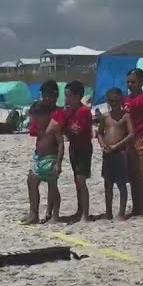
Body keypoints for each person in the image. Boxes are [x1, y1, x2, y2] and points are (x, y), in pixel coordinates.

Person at [49, 80, 93, 222]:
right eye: (66, 96)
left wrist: (68, 128)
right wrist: (68, 128)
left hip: (84, 148)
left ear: (78, 95)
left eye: (69, 96)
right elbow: (66, 129)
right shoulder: (68, 111)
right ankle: (80, 210)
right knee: (76, 180)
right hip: (73, 146)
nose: (67, 99)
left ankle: (85, 214)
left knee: (81, 180)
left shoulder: (84, 111)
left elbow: (79, 130)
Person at [25, 80, 62, 224]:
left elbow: (60, 143)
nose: (46, 98)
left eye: (49, 95)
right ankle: (34, 213)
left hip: (51, 157)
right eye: (44, 95)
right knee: (31, 181)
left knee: (52, 186)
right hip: (39, 156)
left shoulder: (56, 118)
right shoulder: (38, 112)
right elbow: (33, 132)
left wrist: (58, 162)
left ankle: (53, 214)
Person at [98, 88, 134, 220]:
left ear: (120, 100)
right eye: (110, 100)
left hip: (119, 153)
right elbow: (100, 133)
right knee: (108, 184)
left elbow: (131, 134)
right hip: (107, 153)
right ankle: (108, 212)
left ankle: (121, 212)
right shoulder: (105, 116)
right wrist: (103, 145)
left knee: (121, 184)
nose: (112, 103)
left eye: (115, 100)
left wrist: (117, 146)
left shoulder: (125, 116)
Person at [124, 69, 143, 218]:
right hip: (129, 141)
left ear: (141, 82)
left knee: (142, 175)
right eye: (128, 82)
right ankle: (136, 206)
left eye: (133, 82)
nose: (130, 85)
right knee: (133, 176)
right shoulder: (126, 100)